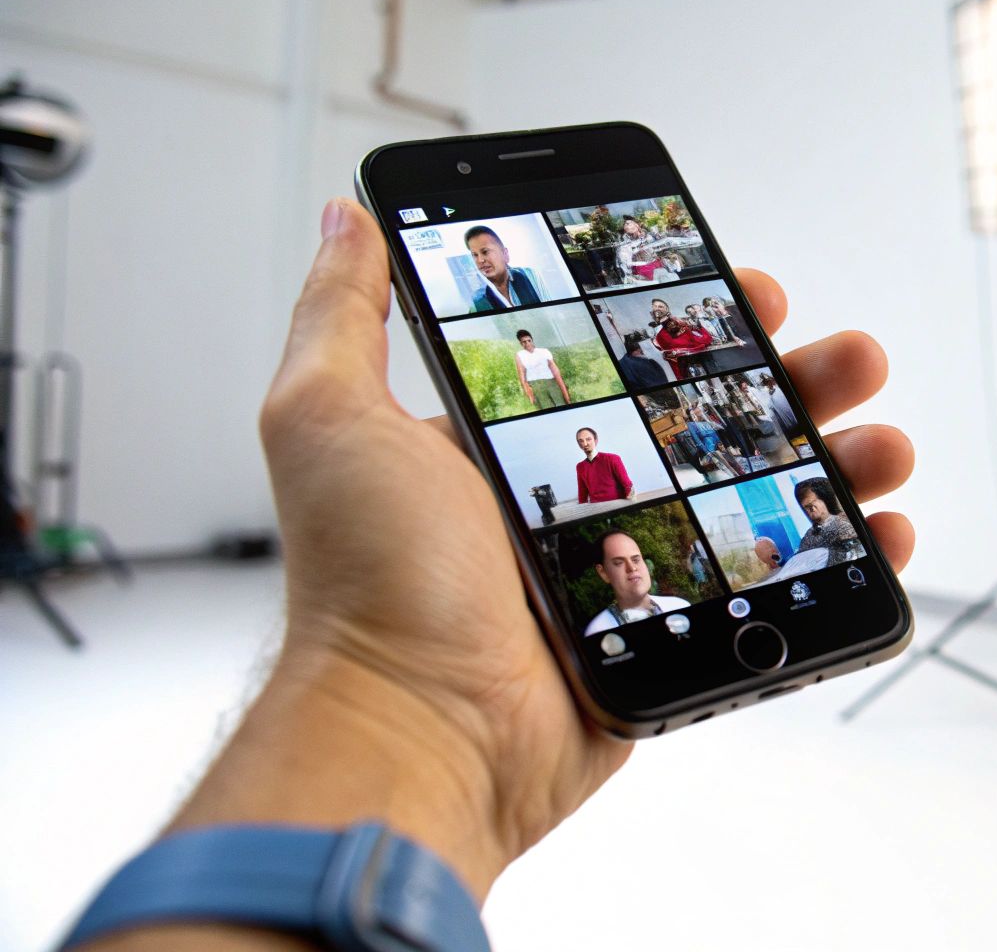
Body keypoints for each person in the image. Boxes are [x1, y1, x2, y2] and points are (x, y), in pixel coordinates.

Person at [56, 198, 915, 950]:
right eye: (475, 252)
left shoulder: (547, 309)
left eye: (491, 247)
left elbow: (618, 479)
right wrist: (412, 697)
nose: (488, 260)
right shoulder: (487, 325)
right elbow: (584, 476)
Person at [582, 530, 689, 635]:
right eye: (619, 563)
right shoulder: (598, 630)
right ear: (603, 573)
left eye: (636, 560)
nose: (632, 568)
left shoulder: (679, 606)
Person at [466, 226, 544, 311]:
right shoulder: (478, 300)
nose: (480, 260)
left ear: (505, 254)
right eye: (475, 255)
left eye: (485, 252)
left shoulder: (528, 275)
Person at [794, 477, 857, 554]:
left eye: (811, 504)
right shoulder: (809, 535)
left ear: (827, 499)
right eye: (805, 507)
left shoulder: (845, 525)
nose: (809, 509)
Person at [574, 427, 634, 504]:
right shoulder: (580, 467)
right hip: (595, 507)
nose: (585, 444)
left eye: (588, 439)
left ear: (596, 440)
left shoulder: (612, 458)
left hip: (617, 504)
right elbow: (582, 494)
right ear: (578, 444)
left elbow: (628, 485)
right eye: (581, 441)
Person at [514, 330, 571, 409]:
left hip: (551, 382)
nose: (527, 343)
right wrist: (528, 392)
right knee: (546, 408)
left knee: (561, 404)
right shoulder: (520, 355)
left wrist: (564, 390)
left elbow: (555, 371)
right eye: (524, 342)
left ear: (532, 340)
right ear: (521, 343)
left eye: (529, 340)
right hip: (535, 385)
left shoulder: (544, 351)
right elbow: (521, 375)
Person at [614, 215, 676, 283]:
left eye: (631, 223)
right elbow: (625, 263)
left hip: (656, 266)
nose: (629, 225)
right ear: (625, 230)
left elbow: (663, 245)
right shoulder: (625, 245)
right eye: (626, 224)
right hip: (640, 271)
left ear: (637, 225)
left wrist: (669, 255)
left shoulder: (649, 236)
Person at [651, 315, 716, 376]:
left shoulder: (684, 329)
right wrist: (698, 328)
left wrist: (697, 327)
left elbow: (705, 340)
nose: (672, 324)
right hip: (687, 366)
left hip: (689, 366)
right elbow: (705, 340)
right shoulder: (661, 336)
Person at [762, 374, 799, 438]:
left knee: (788, 411)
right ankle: (792, 427)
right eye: (766, 383)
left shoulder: (777, 388)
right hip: (778, 405)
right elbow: (769, 401)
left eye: (768, 381)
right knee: (784, 415)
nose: (768, 384)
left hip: (783, 401)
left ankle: (795, 424)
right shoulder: (768, 391)